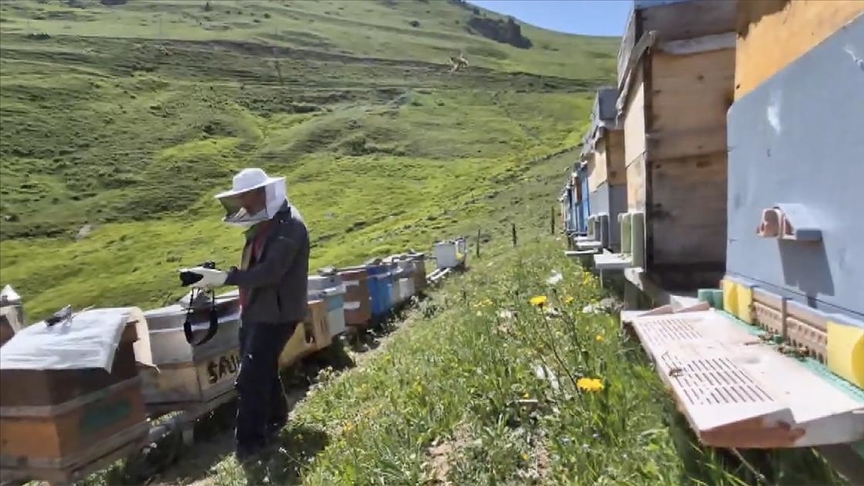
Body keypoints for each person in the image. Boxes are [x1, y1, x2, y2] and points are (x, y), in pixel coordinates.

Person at [181, 168, 310, 462]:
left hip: (277, 314)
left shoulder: (289, 225)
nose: (243, 206)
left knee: (250, 379)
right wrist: (217, 277)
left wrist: (225, 278)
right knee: (262, 369)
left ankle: (250, 445)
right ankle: (276, 420)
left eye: (246, 199)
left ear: (263, 193)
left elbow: (271, 272)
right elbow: (255, 269)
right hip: (254, 311)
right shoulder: (267, 223)